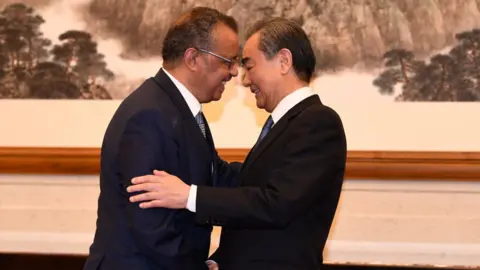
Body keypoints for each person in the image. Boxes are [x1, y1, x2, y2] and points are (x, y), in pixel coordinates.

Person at [127, 17, 347, 270]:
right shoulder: (285, 125)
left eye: (249, 66)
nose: (243, 79)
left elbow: (274, 205)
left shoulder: (318, 122)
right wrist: (220, 259)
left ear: (284, 61)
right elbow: (250, 197)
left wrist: (188, 196)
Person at [83, 7, 242, 270]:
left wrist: (276, 171)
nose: (234, 71)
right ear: (193, 58)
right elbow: (151, 225)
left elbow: (217, 175)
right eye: (228, 61)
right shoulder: (149, 115)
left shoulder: (176, 109)